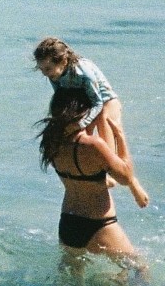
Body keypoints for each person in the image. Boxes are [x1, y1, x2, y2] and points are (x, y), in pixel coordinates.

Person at [38, 87, 145, 275]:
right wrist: (120, 136)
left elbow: (86, 178)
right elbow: (125, 177)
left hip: (68, 223)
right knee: (140, 268)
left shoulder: (51, 143)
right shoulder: (93, 145)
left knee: (72, 284)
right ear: (84, 113)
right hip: (99, 224)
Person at [34, 37, 149, 208]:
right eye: (41, 69)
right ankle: (98, 175)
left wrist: (81, 124)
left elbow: (98, 103)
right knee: (80, 142)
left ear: (63, 61)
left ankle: (131, 182)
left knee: (105, 137)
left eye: (48, 68)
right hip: (83, 105)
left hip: (105, 101)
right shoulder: (54, 75)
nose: (45, 73)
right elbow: (60, 99)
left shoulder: (83, 72)